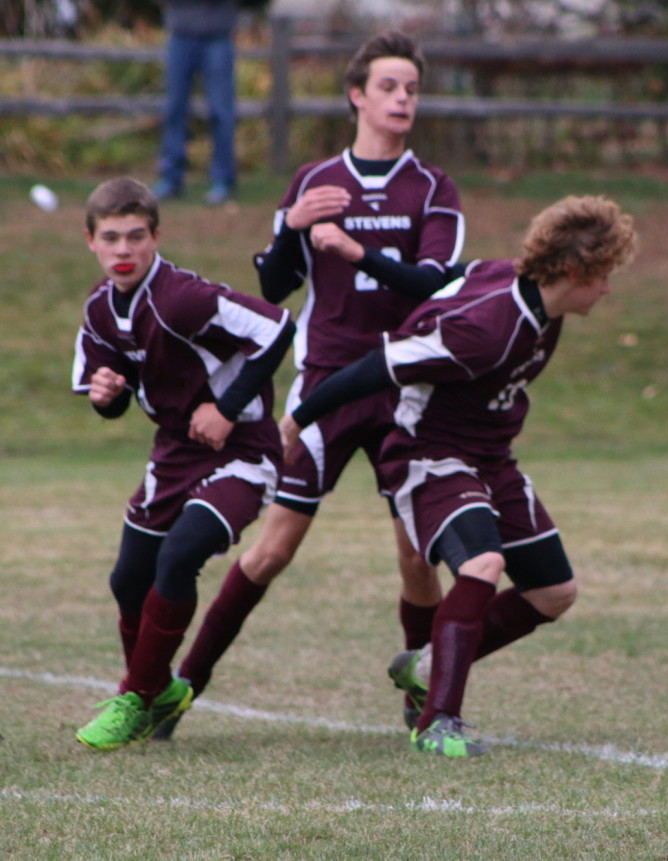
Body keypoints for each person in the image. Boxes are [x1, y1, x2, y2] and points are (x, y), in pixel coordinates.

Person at [155, 30, 464, 739]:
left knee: (416, 556)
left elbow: (433, 283)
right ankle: (183, 687)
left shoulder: (432, 187)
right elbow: (273, 283)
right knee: (270, 550)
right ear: (357, 95)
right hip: (325, 386)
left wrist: (358, 250)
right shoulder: (315, 180)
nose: (402, 99)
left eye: (411, 89)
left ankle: (427, 694)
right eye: (389, 87)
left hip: (402, 390)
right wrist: (292, 228)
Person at [280, 194, 638, 757]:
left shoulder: (528, 295)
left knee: (554, 592)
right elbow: (378, 365)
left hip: (491, 456)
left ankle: (424, 667)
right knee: (483, 564)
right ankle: (437, 720)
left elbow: (436, 279)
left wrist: (363, 256)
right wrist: (297, 420)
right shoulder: (485, 328)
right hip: (430, 452)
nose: (609, 289)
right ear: (573, 272)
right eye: (605, 277)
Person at [71, 177, 295, 751]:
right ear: (91, 241)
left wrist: (226, 408)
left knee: (179, 555)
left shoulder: (183, 298)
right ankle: (160, 692)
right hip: (173, 453)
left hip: (242, 451)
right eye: (112, 238)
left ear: (156, 237)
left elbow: (277, 326)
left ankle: (136, 695)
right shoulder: (99, 312)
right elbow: (112, 401)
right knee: (128, 581)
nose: (124, 250)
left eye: (136, 237)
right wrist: (106, 393)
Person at [153, 0, 239, 205]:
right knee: (174, 110)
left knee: (220, 112)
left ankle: (222, 179)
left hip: (218, 35)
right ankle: (171, 177)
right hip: (180, 34)